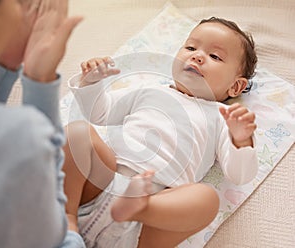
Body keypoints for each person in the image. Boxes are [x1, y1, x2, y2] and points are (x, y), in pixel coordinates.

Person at [63, 17, 258, 248]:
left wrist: (241, 140)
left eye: (215, 56)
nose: (197, 56)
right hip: (102, 184)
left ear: (235, 87)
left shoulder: (223, 116)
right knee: (77, 133)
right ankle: (67, 221)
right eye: (191, 47)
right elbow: (101, 114)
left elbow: (240, 175)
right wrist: (92, 83)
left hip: (152, 216)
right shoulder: (149, 91)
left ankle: (141, 207)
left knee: (206, 200)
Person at [0, 0, 84, 247]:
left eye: (205, 54)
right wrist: (40, 80)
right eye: (190, 46)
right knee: (79, 134)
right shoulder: (21, 134)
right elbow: (52, 237)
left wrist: (5, 63)